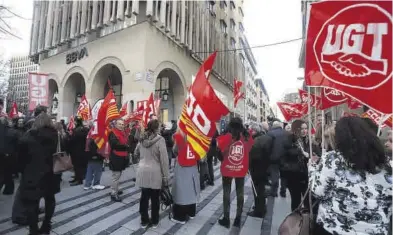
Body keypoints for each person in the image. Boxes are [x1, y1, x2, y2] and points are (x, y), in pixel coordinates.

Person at [310, 116, 392, 235]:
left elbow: (317, 191)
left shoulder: (332, 159)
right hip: (374, 229)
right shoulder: (386, 163)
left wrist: (312, 169)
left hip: (334, 227)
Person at [17, 113, 61, 235]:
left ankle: (33, 229)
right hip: (52, 174)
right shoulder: (57, 136)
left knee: (32, 203)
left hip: (32, 175)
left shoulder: (27, 137)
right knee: (50, 199)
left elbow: (20, 159)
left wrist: (22, 171)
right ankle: (46, 225)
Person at [217, 117, 253, 228]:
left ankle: (226, 219)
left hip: (227, 168)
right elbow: (250, 149)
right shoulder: (246, 137)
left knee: (226, 194)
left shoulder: (226, 136)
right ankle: (238, 218)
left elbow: (219, 150)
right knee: (240, 193)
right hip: (240, 168)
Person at [135, 119, 169, 228]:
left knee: (144, 197)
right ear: (157, 128)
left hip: (143, 170)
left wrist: (142, 158)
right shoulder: (160, 140)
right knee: (155, 198)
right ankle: (154, 221)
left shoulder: (141, 139)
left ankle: (144, 220)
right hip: (155, 172)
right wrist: (165, 176)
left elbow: (136, 153)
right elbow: (164, 160)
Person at [171, 129, 200, 224]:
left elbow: (175, 150)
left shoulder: (181, 135)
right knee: (192, 188)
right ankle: (191, 212)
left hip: (182, 167)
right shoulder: (196, 135)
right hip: (193, 166)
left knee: (181, 191)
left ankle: (180, 216)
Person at [248, 122, 273, 218]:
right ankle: (261, 207)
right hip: (265, 168)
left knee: (257, 191)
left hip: (257, 169)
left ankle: (259, 211)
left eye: (251, 130)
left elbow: (253, 156)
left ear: (254, 131)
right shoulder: (266, 137)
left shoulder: (256, 141)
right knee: (261, 190)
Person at [108, 119, 129, 202]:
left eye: (122, 124)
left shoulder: (122, 132)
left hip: (122, 157)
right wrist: (126, 146)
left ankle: (115, 189)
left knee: (118, 175)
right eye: (119, 124)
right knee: (116, 176)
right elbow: (114, 144)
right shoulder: (112, 132)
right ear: (115, 125)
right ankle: (113, 193)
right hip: (116, 157)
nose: (121, 125)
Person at [267, 121, 288, 197]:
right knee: (284, 176)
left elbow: (268, 146)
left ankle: (274, 192)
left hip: (273, 158)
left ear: (273, 126)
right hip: (284, 158)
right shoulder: (286, 133)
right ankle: (283, 192)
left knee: (274, 175)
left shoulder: (270, 133)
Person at [69, 116, 89, 186]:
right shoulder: (86, 129)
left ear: (76, 122)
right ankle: (78, 177)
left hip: (76, 151)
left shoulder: (76, 130)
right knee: (80, 166)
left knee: (77, 166)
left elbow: (72, 140)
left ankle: (78, 179)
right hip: (83, 151)